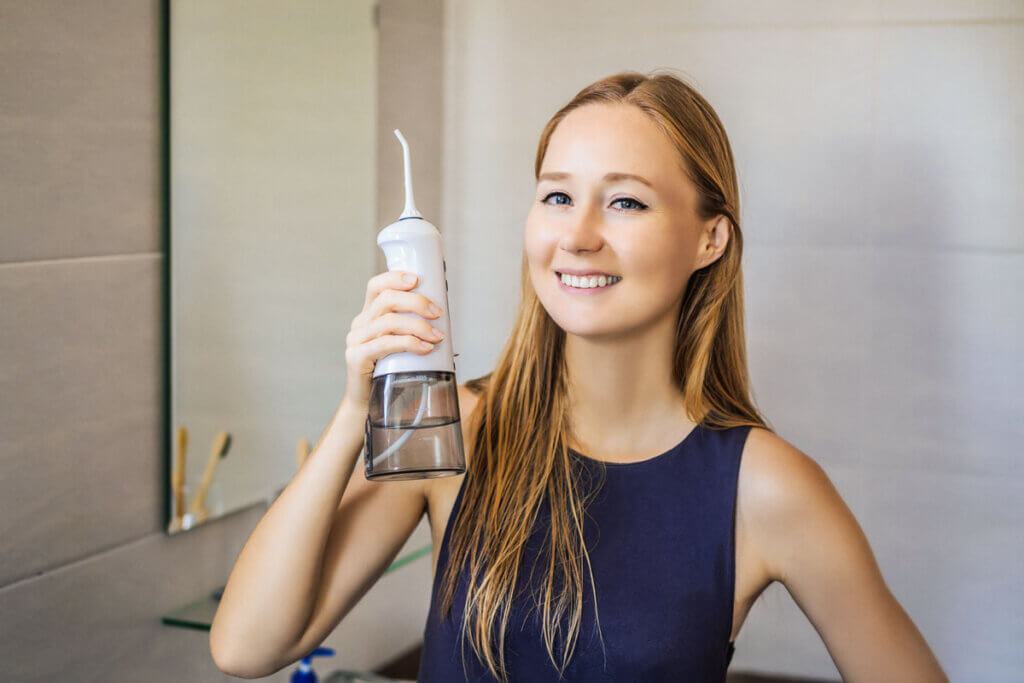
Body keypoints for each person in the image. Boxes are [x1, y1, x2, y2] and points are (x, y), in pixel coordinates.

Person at [209, 71, 948, 682]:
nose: (578, 235)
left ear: (709, 238)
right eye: (557, 196)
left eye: (625, 201)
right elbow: (247, 647)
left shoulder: (765, 486)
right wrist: (354, 415)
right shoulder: (455, 425)